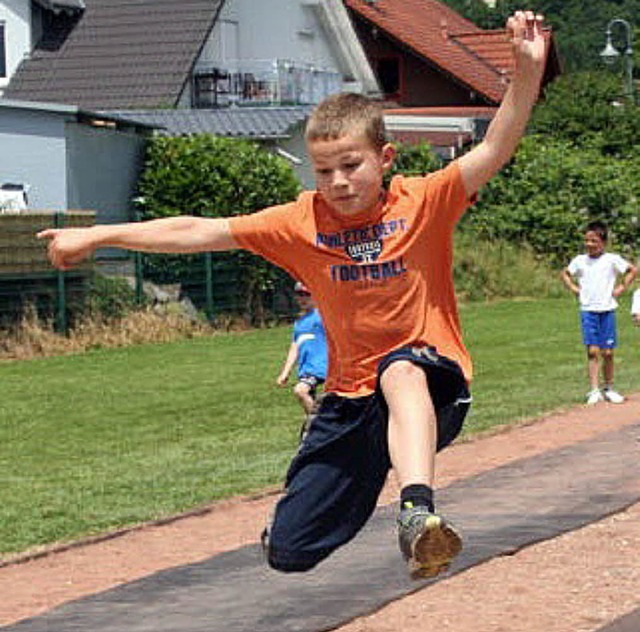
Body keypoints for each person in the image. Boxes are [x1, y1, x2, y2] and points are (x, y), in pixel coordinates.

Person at [37, 11, 547, 579]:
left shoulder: (424, 202)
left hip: (432, 380)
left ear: (386, 159)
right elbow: (199, 230)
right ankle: (356, 481)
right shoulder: (300, 221)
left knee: (401, 370)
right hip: (351, 400)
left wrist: (525, 73)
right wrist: (98, 234)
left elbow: (495, 147)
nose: (338, 182)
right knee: (291, 551)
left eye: (351, 166)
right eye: (324, 170)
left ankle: (416, 513)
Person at [561, 220, 637, 405]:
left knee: (608, 352)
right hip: (588, 310)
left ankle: (609, 387)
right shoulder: (580, 261)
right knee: (593, 351)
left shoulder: (611, 259)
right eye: (587, 240)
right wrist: (573, 288)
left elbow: (632, 270)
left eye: (594, 241)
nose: (589, 245)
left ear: (603, 242)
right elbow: (565, 273)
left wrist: (621, 287)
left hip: (607, 309)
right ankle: (594, 389)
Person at [276, 281, 328, 416]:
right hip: (307, 369)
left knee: (300, 390)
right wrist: (285, 372)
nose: (302, 299)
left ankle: (317, 423)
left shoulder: (323, 316)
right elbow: (294, 348)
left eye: (306, 295)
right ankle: (316, 423)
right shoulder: (299, 323)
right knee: (306, 396)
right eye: (299, 295)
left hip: (323, 367)